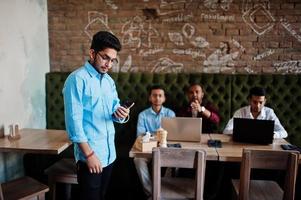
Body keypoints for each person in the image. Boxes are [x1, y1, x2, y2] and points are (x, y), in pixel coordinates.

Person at [63, 31, 131, 200]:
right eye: (105, 57)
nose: (109, 64)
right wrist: (89, 155)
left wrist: (121, 113)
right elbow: (74, 124)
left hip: (110, 154)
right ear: (92, 53)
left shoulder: (109, 81)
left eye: (113, 60)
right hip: (91, 156)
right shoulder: (76, 79)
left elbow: (114, 110)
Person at [177, 83, 223, 200]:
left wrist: (201, 109)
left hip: (206, 142)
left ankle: (209, 196)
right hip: (188, 142)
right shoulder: (183, 108)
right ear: (188, 95)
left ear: (202, 94)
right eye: (191, 92)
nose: (194, 95)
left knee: (217, 164)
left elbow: (217, 120)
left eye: (197, 92)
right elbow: (178, 126)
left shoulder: (209, 106)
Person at [134, 85, 175, 199]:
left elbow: (173, 135)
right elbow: (140, 135)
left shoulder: (170, 114)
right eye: (154, 95)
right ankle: (152, 194)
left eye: (160, 96)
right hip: (148, 148)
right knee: (138, 160)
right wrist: (158, 136)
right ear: (150, 98)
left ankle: (164, 192)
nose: (157, 98)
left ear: (164, 98)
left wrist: (152, 135)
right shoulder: (143, 115)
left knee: (177, 160)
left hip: (166, 148)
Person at [223, 86, 287, 138]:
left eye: (261, 102)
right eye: (255, 102)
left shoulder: (269, 112)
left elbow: (284, 133)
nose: (258, 106)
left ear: (265, 101)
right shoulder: (240, 112)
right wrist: (242, 132)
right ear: (249, 100)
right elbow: (226, 131)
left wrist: (273, 135)